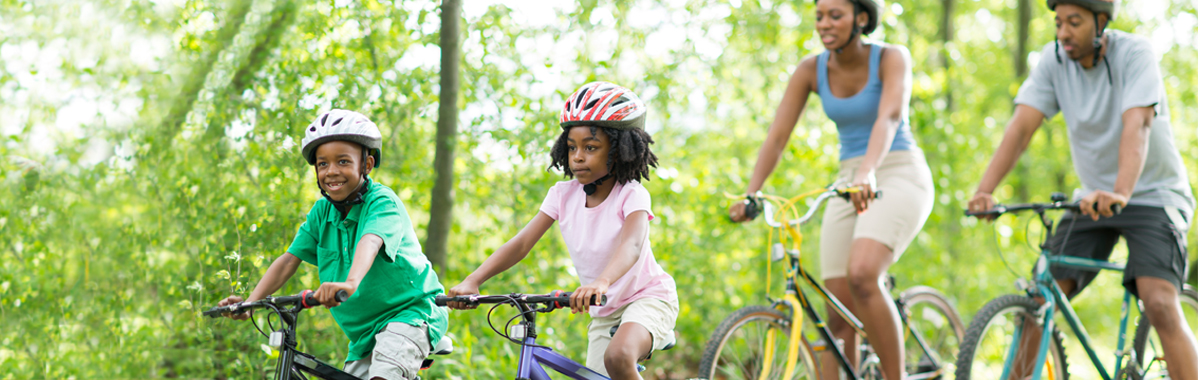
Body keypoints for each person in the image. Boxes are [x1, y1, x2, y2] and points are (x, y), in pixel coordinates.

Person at [967, 0, 1197, 378]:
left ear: (1101, 22)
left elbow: (1137, 124)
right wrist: (984, 190)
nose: (1063, 33)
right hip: (1091, 201)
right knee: (1040, 298)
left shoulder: (1135, 53)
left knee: (1158, 301)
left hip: (1155, 196)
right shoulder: (1053, 62)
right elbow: (1021, 128)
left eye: (1074, 22)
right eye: (1058, 22)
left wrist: (1121, 191)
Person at [727, 0, 932, 378]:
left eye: (835, 15)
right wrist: (751, 193)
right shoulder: (811, 69)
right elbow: (777, 137)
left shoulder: (890, 58)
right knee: (838, 312)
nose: (824, 24)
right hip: (848, 180)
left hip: (898, 170)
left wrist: (867, 171)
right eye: (819, 15)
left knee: (862, 275)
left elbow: (889, 117)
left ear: (862, 18)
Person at [445, 81, 679, 380]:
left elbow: (632, 246)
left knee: (618, 357)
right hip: (604, 311)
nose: (578, 156)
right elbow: (520, 245)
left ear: (619, 152)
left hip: (648, 298)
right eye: (572, 147)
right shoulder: (562, 195)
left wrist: (601, 282)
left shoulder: (631, 194)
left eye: (590, 147)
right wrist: (473, 280)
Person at [216, 109, 449, 380]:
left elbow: (370, 242)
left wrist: (349, 283)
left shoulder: (382, 202)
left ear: (367, 165)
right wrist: (251, 303)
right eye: (322, 164)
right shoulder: (321, 212)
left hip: (412, 313)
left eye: (343, 161)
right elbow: (289, 260)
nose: (331, 172)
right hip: (364, 334)